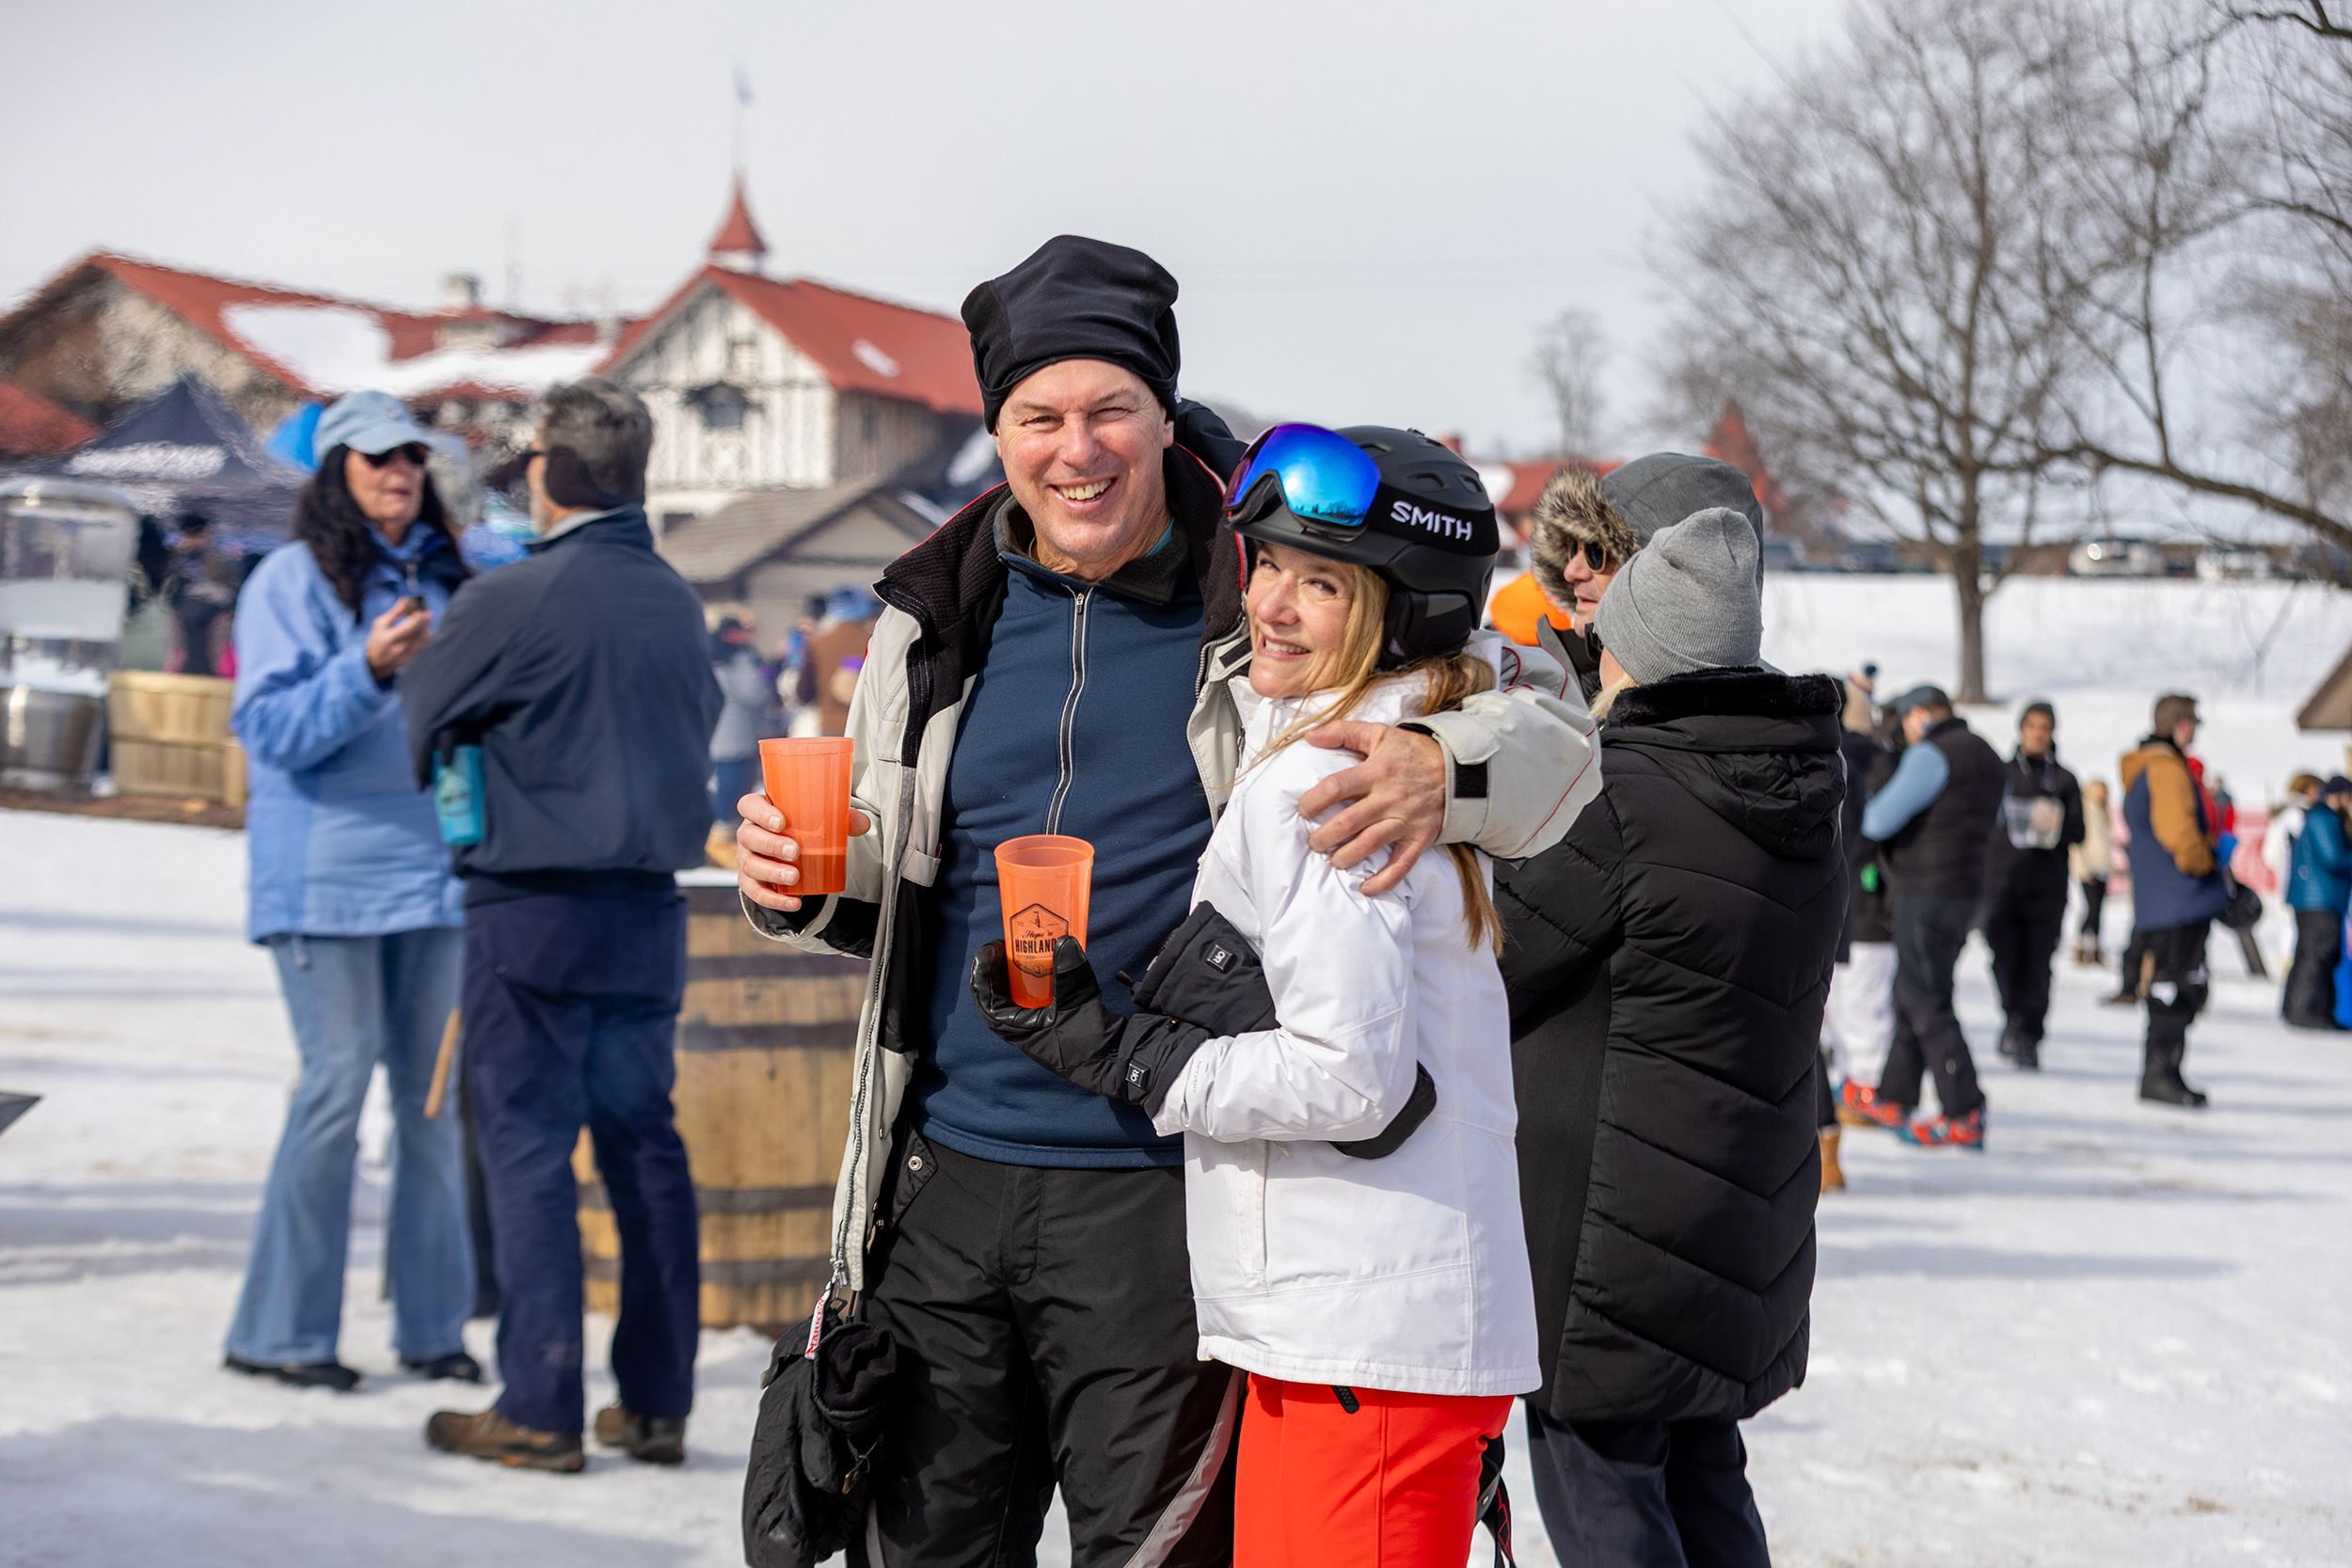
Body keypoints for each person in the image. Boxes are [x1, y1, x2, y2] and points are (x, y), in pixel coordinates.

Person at [732, 235, 1599, 1566]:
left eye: (1107, 411)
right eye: (1039, 417)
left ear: (1160, 413)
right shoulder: (933, 614)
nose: (1075, 450)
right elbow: (908, 863)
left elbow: (1554, 729)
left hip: (1157, 1183)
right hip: (944, 1168)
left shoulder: (1269, 585)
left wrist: (1442, 762)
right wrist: (803, 880)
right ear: (998, 431)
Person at [970, 423, 1538, 1566]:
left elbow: (1353, 1075)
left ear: (1405, 608)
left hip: (1362, 1339)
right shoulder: (1394, 748)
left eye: (1320, 582)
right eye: (1265, 563)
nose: (1270, 602)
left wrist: (1129, 1055)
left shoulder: (1324, 785)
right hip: (1355, 1326)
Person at [1495, 507, 1843, 1567]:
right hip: (1739, 1205)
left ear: (1633, 653)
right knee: (1701, 1467)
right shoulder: (1805, 787)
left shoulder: (1626, 791)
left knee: (1600, 1483)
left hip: (1612, 1218)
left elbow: (1494, 958)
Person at [401, 378, 722, 1472]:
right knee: (644, 1149)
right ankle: (656, 1399)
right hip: (648, 910)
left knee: (530, 1150)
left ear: (555, 469)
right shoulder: (674, 597)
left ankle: (539, 1403)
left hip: (534, 904)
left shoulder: (512, 594)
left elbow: (425, 715)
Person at [222, 390, 476, 1392]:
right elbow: (271, 730)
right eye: (374, 456)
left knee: (431, 1106)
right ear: (336, 472)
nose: (397, 470)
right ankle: (281, 1331)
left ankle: (434, 1328)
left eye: (410, 453)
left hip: (437, 877)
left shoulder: (455, 577)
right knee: (333, 1091)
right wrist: (365, 670)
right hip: (322, 877)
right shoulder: (286, 579)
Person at [1847, 685, 2004, 1148]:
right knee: (1913, 991)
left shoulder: (1933, 755)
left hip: (1926, 889)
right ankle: (1895, 1097)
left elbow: (1878, 821)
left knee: (1927, 999)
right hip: (1969, 890)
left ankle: (1964, 1109)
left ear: (1919, 716)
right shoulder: (1988, 754)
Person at [1498, 453, 1765, 701]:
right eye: (1571, 547)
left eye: (1596, 551)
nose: (1571, 571)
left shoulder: (1767, 724)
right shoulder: (1547, 689)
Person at [2120, 694, 2227, 1107]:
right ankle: (2160, 1075)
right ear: (2178, 725)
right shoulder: (2165, 769)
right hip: (2178, 897)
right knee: (2175, 986)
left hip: (2162, 898)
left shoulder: (2150, 765)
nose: (2195, 731)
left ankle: (2165, 1072)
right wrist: (2206, 865)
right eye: (2191, 723)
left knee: (2176, 983)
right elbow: (2178, 833)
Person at [1979, 701, 2085, 1071]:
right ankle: (2012, 1018)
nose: (2039, 733)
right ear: (2021, 729)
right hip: (2003, 884)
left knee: (2038, 965)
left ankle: (2028, 1034)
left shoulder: (2065, 780)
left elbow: (2079, 832)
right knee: (2004, 959)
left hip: (2047, 889)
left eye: (2045, 727)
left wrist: (2054, 822)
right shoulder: (2001, 774)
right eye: (2033, 726)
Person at [1820, 674, 1894, 1186]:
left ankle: (1849, 1108)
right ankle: (1836, 1127)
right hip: (1855, 900)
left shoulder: (1829, 757)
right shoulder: (1882, 758)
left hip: (1844, 898)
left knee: (1847, 1008)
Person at [2281, 776, 2352, 1029]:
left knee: (2310, 954)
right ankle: (2305, 1011)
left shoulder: (2320, 817)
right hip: (2319, 898)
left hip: (2318, 897)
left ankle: (2305, 1009)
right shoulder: (2324, 818)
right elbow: (2333, 857)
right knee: (2316, 955)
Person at [707, 610, 770, 825]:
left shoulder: (709, 654)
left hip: (715, 730)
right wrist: (767, 684)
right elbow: (754, 693)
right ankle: (724, 828)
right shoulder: (740, 657)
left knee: (719, 782)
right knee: (733, 784)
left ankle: (717, 827)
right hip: (736, 731)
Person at [2072, 778, 2116, 965]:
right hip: (2088, 868)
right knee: (2091, 908)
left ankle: (2096, 947)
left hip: (2102, 868)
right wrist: (2082, 867)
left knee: (2099, 910)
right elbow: (2077, 844)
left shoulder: (2104, 812)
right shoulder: (2084, 810)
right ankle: (2080, 946)